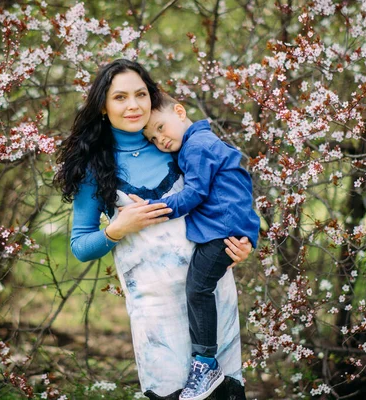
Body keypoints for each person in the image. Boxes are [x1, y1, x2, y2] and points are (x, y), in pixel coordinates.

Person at [53, 59, 252, 400]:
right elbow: (80, 245)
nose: (133, 105)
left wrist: (241, 243)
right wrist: (117, 229)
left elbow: (228, 197)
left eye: (140, 94)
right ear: (103, 105)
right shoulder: (95, 166)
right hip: (156, 316)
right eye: (120, 97)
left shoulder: (176, 144)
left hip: (211, 297)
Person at [141, 95, 260, 400]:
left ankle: (205, 363)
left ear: (180, 112)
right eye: (153, 138)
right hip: (226, 227)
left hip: (222, 231)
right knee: (198, 288)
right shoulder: (199, 143)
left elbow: (194, 193)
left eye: (161, 128)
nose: (160, 140)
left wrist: (155, 208)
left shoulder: (197, 145)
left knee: (197, 289)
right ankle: (205, 361)